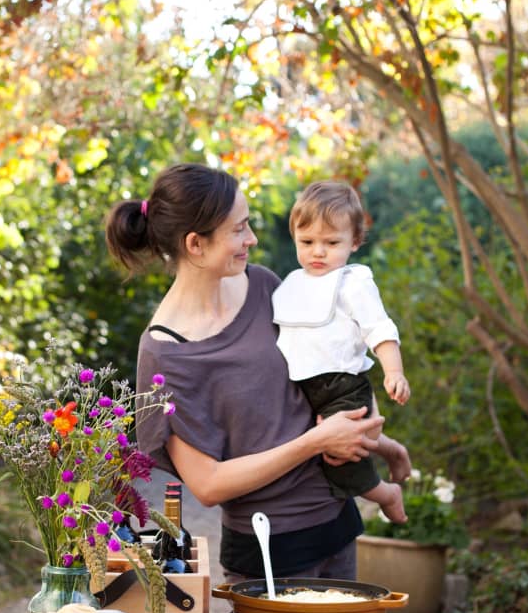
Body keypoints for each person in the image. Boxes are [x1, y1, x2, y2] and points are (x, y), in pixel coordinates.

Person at [105, 163, 411, 582]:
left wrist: (378, 442)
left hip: (339, 525)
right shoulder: (167, 354)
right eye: (238, 229)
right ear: (196, 244)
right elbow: (209, 484)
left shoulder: (266, 287)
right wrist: (315, 442)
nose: (251, 239)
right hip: (270, 552)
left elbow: (325, 382)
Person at [272, 180, 410, 524]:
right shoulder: (291, 284)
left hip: (341, 385)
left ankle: (385, 494)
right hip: (302, 389)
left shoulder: (353, 283)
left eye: (331, 243)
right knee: (325, 450)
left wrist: (393, 371)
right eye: (307, 242)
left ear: (355, 242)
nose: (318, 252)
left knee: (342, 465)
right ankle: (393, 451)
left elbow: (378, 328)